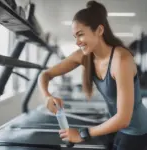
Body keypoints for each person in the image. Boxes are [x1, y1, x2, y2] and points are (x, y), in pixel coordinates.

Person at [38, 1, 147, 150]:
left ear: (100, 30)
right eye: (75, 36)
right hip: (116, 126)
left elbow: (124, 119)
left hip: (136, 131)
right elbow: (45, 74)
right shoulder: (83, 56)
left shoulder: (121, 60)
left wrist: (83, 134)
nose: (77, 42)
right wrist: (46, 96)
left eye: (81, 34)